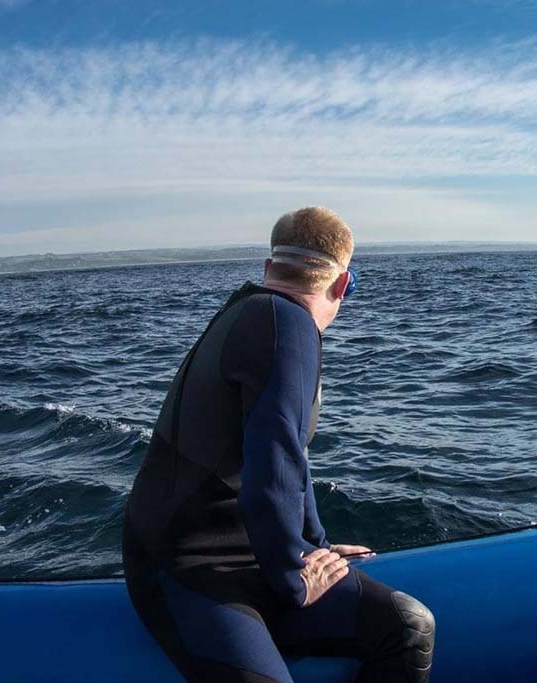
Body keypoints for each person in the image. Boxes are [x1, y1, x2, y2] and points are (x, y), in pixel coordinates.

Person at [122, 207, 435, 683]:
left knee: (405, 625)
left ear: (268, 269)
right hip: (191, 568)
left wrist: (315, 547)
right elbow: (272, 467)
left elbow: (291, 460)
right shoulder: (287, 325)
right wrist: (294, 576)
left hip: (250, 553)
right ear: (342, 284)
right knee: (408, 627)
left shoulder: (253, 310)